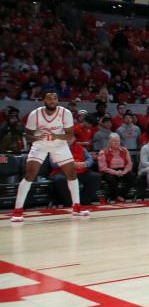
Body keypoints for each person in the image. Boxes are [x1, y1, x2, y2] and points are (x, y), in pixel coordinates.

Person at [12, 91, 89, 221]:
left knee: (71, 173)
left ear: (57, 101)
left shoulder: (66, 113)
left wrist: (56, 136)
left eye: (54, 99)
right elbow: (28, 136)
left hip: (59, 145)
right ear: (44, 101)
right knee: (30, 174)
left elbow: (69, 135)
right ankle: (17, 211)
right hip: (40, 144)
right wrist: (36, 137)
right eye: (49, 99)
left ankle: (76, 207)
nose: (52, 101)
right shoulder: (35, 114)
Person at [50, 134, 100, 207]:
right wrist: (70, 164)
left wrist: (86, 164)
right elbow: (53, 164)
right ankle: (68, 202)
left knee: (95, 177)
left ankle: (84, 201)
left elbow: (90, 159)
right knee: (60, 179)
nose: (69, 139)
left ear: (74, 139)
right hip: (63, 171)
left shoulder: (81, 148)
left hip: (80, 170)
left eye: (71, 137)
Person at [98, 133, 134, 202]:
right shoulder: (103, 152)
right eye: (114, 141)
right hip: (109, 171)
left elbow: (129, 163)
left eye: (118, 141)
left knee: (131, 176)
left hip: (122, 170)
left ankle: (122, 195)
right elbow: (103, 167)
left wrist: (124, 172)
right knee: (111, 179)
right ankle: (115, 196)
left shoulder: (124, 150)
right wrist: (115, 172)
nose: (116, 143)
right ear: (109, 142)